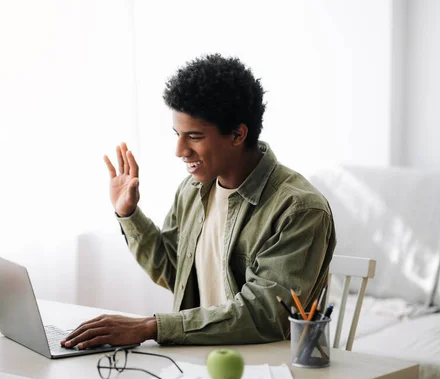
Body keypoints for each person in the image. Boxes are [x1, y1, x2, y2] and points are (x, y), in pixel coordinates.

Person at [61, 54, 336, 349]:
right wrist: (128, 213)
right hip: (197, 356)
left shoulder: (299, 209)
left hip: (263, 364)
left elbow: (265, 314)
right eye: (177, 134)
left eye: (194, 136)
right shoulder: (193, 189)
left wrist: (151, 327)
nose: (180, 150)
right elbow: (174, 272)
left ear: (237, 134)